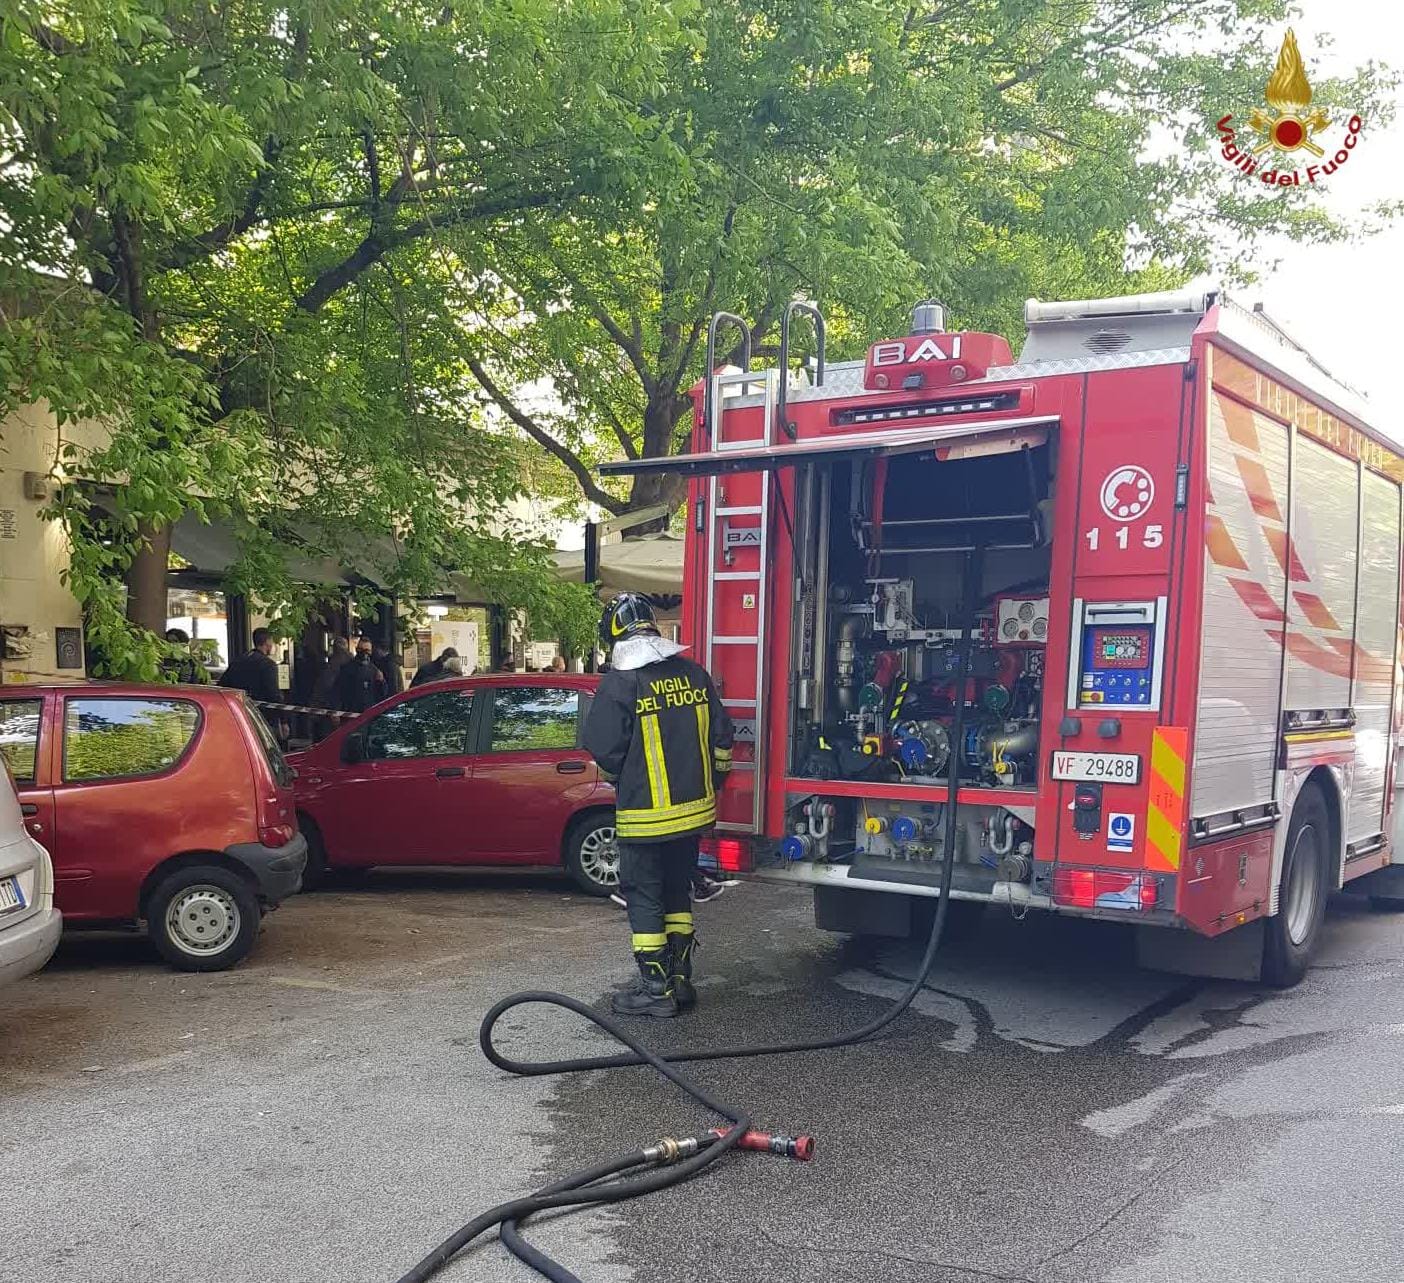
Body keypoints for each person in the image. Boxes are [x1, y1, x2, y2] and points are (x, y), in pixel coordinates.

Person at [582, 592, 733, 1019]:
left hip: (645, 817)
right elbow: (722, 740)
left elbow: (605, 751)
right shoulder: (693, 674)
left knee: (644, 895)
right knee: (675, 891)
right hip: (693, 815)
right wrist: (713, 782)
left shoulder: (620, 683)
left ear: (614, 634)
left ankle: (654, 990)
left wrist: (625, 776)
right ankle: (681, 980)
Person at [219, 628, 282, 706]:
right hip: (261, 712)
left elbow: (223, 685)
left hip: (238, 709)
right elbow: (273, 694)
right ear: (268, 642)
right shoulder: (268, 665)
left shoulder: (237, 661)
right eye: (272, 641)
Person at [333, 636, 387, 713]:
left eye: (367, 650)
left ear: (371, 651)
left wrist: (381, 681)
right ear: (357, 650)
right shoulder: (347, 669)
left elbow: (382, 694)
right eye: (361, 650)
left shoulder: (375, 670)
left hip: (370, 714)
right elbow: (338, 691)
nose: (364, 654)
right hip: (351, 712)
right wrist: (336, 710)